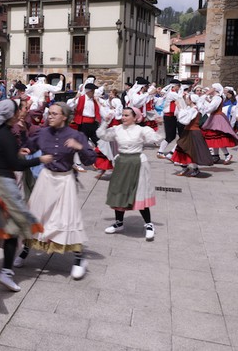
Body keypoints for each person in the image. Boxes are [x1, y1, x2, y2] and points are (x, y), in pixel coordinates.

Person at [15, 102, 96, 279]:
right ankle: (25, 251)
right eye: (49, 113)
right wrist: (24, 144)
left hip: (65, 179)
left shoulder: (76, 135)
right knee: (36, 215)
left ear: (64, 117)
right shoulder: (43, 132)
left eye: (54, 114)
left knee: (68, 218)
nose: (49, 116)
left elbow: (90, 159)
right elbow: (30, 146)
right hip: (46, 178)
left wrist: (80, 147)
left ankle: (78, 258)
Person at [0, 100, 52, 292]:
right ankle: (5, 271)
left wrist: (17, 153)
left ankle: (2, 266)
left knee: (5, 227)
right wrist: (39, 159)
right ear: (10, 115)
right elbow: (16, 164)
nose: (19, 114)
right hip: (3, 182)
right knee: (18, 225)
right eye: (17, 112)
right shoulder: (6, 134)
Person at [97, 107, 162, 240]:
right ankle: (119, 223)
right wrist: (106, 121)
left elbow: (158, 138)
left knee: (139, 192)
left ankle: (149, 224)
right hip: (122, 161)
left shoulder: (141, 130)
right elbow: (101, 135)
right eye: (123, 115)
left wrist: (161, 124)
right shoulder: (117, 129)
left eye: (126, 115)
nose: (123, 118)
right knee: (119, 191)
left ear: (135, 117)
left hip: (137, 161)